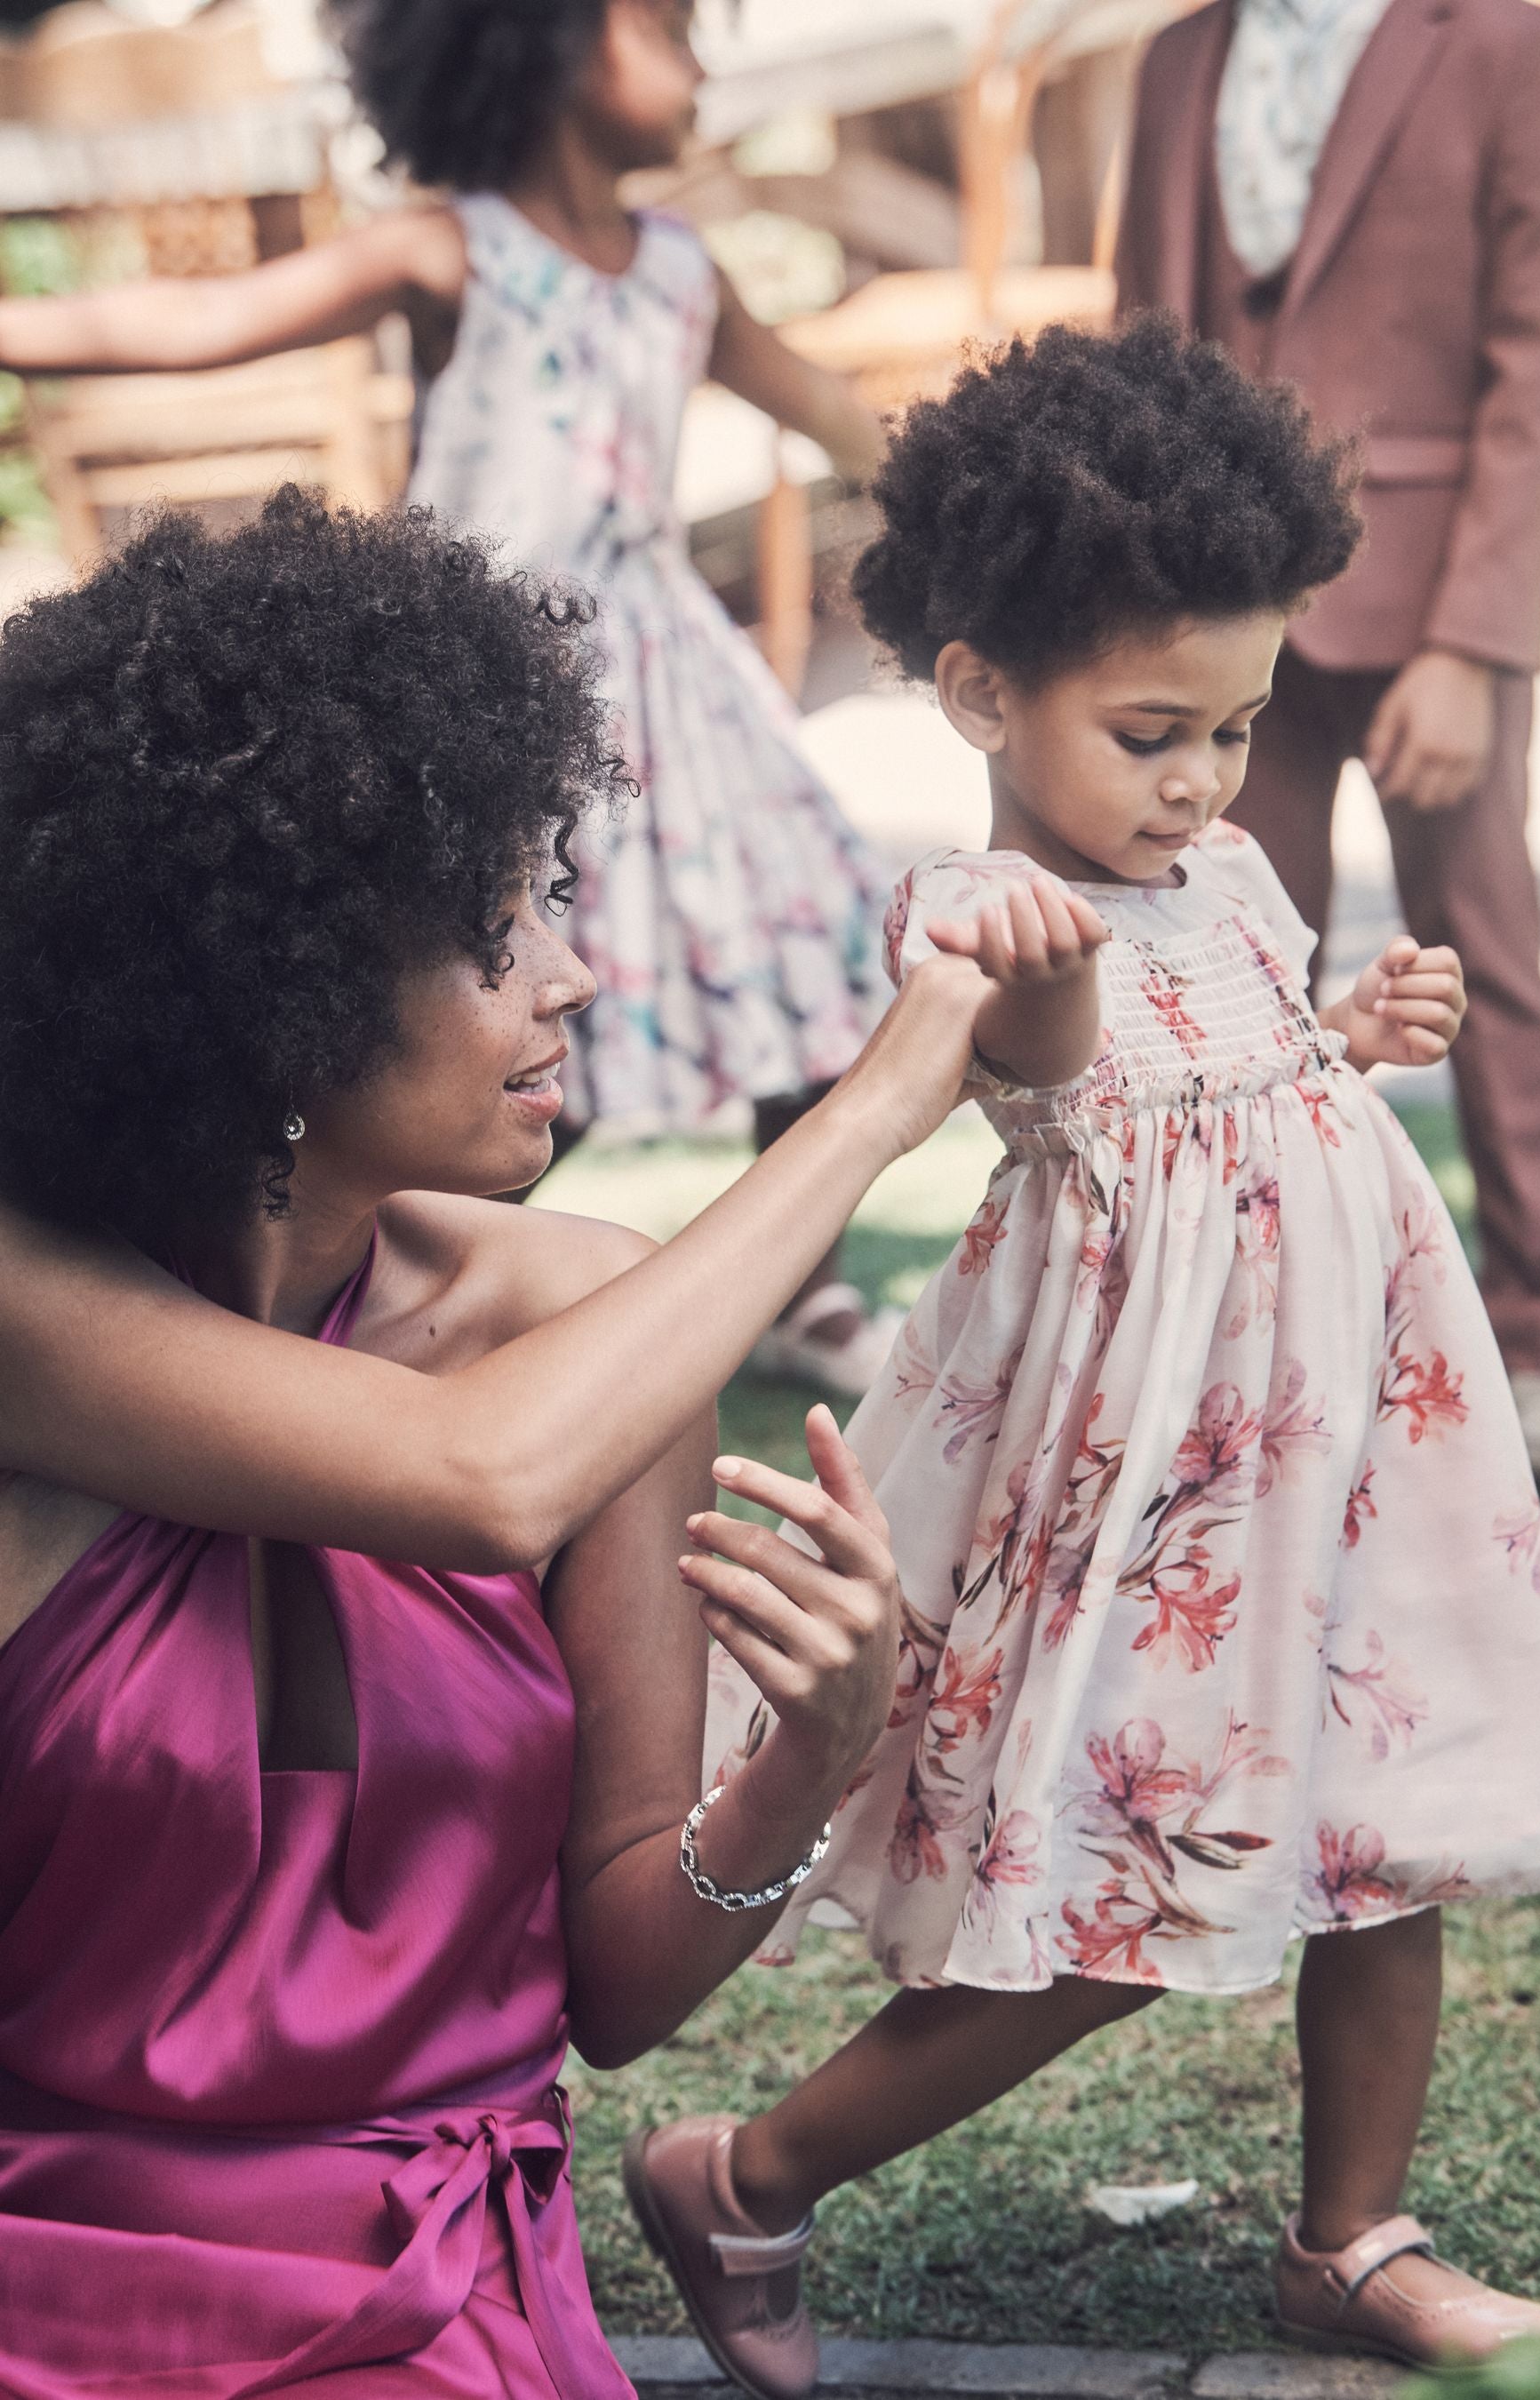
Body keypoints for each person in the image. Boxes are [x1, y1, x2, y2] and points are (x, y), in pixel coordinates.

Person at [624, 321, 1540, 2394]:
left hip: (1345, 1435)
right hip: (1164, 1487)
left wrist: (1357, 1034)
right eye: (1155, 730)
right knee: (1131, 1897)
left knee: (1384, 1818)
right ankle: (750, 2171)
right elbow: (1068, 1067)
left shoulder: (1230, 874)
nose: (1202, 781)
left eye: (1237, 729)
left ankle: (1354, 2238)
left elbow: (1247, 1070)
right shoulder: (984, 919)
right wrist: (1055, 977)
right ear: (982, 691)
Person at [0, 488, 999, 2393]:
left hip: (435, 2286)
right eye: (490, 928)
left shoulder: (587, 1324)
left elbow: (621, 1990)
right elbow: (478, 1479)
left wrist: (811, 1756)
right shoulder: (29, 1306)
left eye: (549, 897)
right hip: (54, 2269)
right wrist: (872, 1109)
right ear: (264, 987)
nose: (570, 977)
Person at [0, 0, 899, 1395]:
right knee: (477, 1005)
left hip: (674, 697)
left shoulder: (682, 270)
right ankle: (442, 1289)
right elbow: (200, 319)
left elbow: (835, 410)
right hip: (481, 702)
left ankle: (806, 1290)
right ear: (534, 43)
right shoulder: (450, 246)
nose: (700, 55)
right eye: (663, 26)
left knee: (813, 957)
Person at [1112, 0, 1540, 1491]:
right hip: (1217, 607)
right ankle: (1261, 1327)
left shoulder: (1505, 44)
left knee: (1484, 952)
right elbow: (1145, 339)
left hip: (1428, 584)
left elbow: (1534, 364)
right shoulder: (1177, 58)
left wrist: (1475, 642)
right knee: (1226, 971)